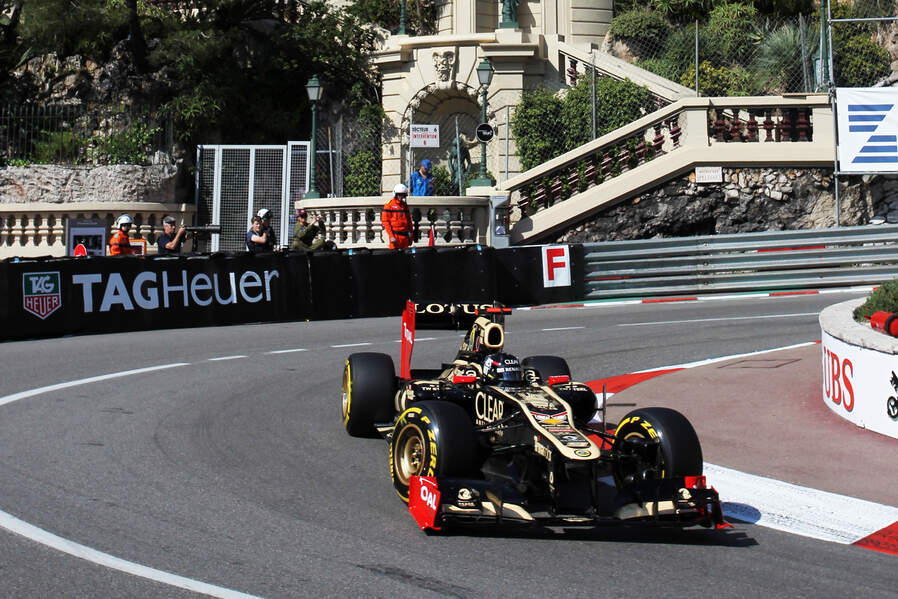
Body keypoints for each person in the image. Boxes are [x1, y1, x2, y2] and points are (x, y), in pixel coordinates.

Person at [382, 183, 413, 249]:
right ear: (395, 194)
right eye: (399, 194)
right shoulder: (389, 205)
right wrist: (391, 236)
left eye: (402, 195)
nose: (401, 196)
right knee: (394, 257)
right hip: (395, 237)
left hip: (405, 237)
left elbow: (409, 221)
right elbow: (385, 222)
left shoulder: (405, 205)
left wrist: (411, 237)